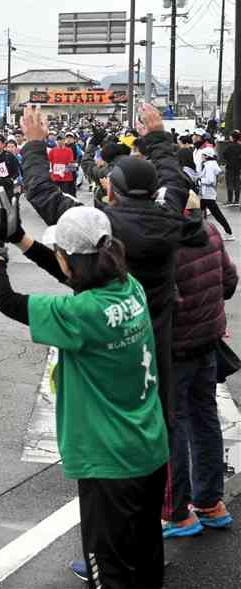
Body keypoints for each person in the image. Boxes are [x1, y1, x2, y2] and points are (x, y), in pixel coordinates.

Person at [21, 103, 205, 577]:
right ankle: (155, 537)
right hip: (155, 348)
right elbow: (176, 178)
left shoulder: (103, 227)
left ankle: (106, 558)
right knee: (150, 458)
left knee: (106, 480)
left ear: (114, 193)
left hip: (102, 359)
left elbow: (44, 195)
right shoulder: (168, 218)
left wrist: (35, 144)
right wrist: (160, 138)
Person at [0, 197, 169, 589]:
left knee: (111, 574)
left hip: (107, 460)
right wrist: (20, 239)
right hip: (147, 447)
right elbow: (73, 275)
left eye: (60, 252)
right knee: (146, 560)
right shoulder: (129, 288)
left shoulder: (83, 314)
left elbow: (6, 301)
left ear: (70, 258)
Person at [164, 193, 237, 537]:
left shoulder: (164, 245)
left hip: (176, 348)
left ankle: (179, 511)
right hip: (208, 342)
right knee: (205, 417)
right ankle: (210, 502)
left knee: (173, 425)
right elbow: (229, 282)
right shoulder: (209, 231)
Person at [199, 147, 234, 240]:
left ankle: (229, 232)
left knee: (217, 215)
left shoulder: (209, 165)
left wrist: (199, 179)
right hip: (206, 194)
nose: (201, 156)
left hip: (208, 194)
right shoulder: (211, 164)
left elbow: (210, 180)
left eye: (202, 155)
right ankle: (203, 231)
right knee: (200, 213)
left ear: (206, 156)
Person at [223, 130, 241, 206]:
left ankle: (230, 200)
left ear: (232, 137)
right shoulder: (240, 146)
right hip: (238, 167)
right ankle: (237, 200)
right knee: (237, 183)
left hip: (229, 166)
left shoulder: (229, 146)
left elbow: (224, 155)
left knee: (229, 183)